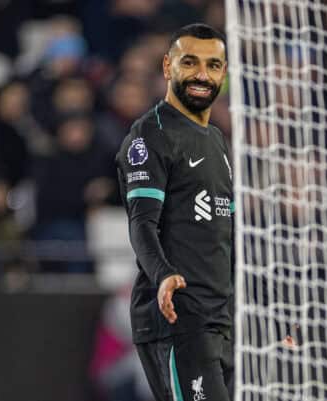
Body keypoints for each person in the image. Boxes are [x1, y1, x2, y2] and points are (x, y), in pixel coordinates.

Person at [115, 23, 234, 401]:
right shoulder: (151, 134)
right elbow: (142, 222)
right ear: (168, 67)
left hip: (220, 321)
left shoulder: (216, 139)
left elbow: (224, 234)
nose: (203, 74)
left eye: (213, 65)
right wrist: (163, 275)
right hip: (177, 319)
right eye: (190, 62)